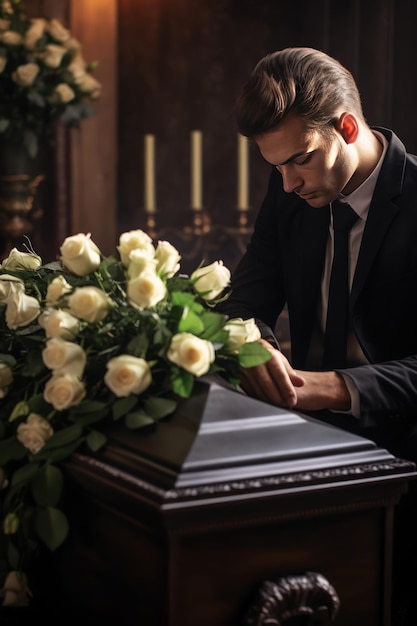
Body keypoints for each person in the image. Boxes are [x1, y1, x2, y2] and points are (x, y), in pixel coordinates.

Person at [217, 47, 417, 625]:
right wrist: (253, 345)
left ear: (347, 126)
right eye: (274, 166)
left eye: (299, 160)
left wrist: (333, 387)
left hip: (403, 440)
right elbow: (244, 303)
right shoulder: (290, 194)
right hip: (307, 432)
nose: (286, 184)